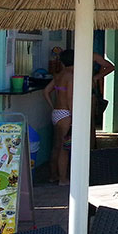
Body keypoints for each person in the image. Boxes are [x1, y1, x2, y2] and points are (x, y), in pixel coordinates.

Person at [43, 48, 74, 185]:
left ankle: (52, 175)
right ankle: (62, 179)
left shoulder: (59, 75)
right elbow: (70, 98)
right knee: (64, 148)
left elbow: (46, 92)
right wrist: (74, 115)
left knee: (56, 146)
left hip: (56, 113)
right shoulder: (71, 76)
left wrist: (52, 106)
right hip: (66, 114)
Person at [91, 52, 115, 149]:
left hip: (90, 91)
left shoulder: (93, 55)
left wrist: (96, 77)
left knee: (90, 122)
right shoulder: (72, 54)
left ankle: (91, 148)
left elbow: (111, 67)